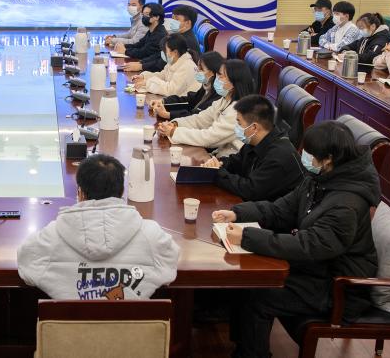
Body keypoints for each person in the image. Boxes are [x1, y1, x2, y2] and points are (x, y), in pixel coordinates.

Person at [214, 121, 380, 358]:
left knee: (258, 295)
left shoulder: (347, 204)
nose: (303, 156)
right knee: (249, 281)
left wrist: (248, 237)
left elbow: (309, 245)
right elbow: (281, 209)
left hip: (337, 287)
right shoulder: (319, 178)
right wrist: (238, 213)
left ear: (328, 159)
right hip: (315, 271)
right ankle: (244, 349)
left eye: (309, 153)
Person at [17, 154, 179, 300]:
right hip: (130, 325)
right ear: (122, 191)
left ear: (80, 193)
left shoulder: (51, 236)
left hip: (73, 325)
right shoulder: (151, 235)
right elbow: (171, 263)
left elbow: (25, 263)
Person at [202, 95, 304, 202]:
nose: (236, 127)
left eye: (239, 123)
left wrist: (217, 173)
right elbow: (235, 163)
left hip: (273, 209)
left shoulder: (279, 157)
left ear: (254, 127)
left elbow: (250, 191)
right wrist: (216, 164)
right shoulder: (255, 140)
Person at [156, 59, 254, 157]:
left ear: (234, 82)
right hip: (217, 155)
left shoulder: (237, 111)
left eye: (221, 76)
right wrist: (175, 124)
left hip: (229, 160)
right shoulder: (224, 100)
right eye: (217, 74)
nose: (217, 78)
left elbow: (211, 137)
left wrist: (174, 132)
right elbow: (200, 120)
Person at [150, 51, 224, 121]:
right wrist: (163, 102)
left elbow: (197, 115)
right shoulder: (207, 86)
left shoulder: (218, 95)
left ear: (212, 73)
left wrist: (168, 115)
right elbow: (189, 100)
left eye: (201, 69)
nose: (197, 70)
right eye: (198, 67)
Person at [133, 34, 201, 98]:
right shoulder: (174, 61)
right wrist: (144, 77)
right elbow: (163, 75)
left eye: (165, 51)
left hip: (186, 104)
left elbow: (170, 90)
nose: (163, 53)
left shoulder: (186, 67)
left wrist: (148, 83)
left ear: (175, 52)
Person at [116, 2, 167, 73]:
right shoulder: (151, 31)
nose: (143, 17)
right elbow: (139, 44)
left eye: (147, 14)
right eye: (143, 14)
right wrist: (124, 46)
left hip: (153, 69)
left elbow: (144, 52)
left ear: (157, 17)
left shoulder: (159, 34)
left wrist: (125, 51)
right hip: (147, 64)